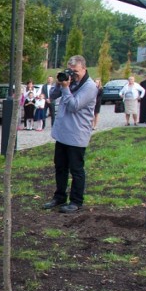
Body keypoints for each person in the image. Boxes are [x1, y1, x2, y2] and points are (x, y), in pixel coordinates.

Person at [42, 55, 98, 214]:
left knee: (76, 169)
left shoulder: (90, 86)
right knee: (60, 167)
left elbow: (74, 106)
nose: (73, 74)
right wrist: (61, 83)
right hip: (63, 133)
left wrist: (66, 88)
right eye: (71, 71)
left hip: (77, 134)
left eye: (76, 71)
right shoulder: (70, 82)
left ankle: (76, 201)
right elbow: (52, 96)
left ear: (84, 69)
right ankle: (59, 196)